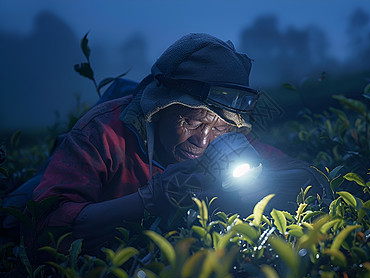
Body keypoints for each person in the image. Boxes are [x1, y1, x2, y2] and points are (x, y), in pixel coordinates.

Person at [26, 33, 330, 255]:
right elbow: (44, 226)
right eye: (192, 123)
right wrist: (150, 199)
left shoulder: (226, 139)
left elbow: (302, 175)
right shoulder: (103, 133)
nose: (203, 139)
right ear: (160, 109)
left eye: (220, 126)